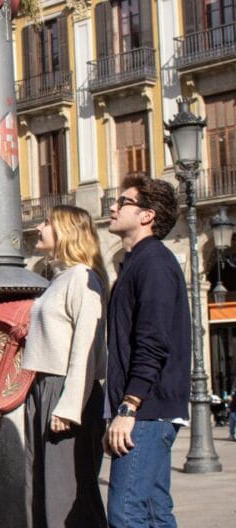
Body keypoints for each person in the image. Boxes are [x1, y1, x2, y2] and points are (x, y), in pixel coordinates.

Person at [105, 175, 191, 527]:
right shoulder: (139, 263)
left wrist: (128, 407)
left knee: (126, 513)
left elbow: (152, 341)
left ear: (147, 215)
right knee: (155, 512)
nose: (112, 207)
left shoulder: (153, 262)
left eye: (123, 201)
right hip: (150, 410)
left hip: (147, 410)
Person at [21, 205, 108, 528]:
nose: (39, 227)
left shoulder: (83, 279)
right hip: (43, 388)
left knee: (68, 492)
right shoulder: (58, 278)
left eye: (47, 222)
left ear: (66, 231)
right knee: (39, 486)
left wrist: (69, 406)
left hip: (66, 391)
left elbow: (86, 346)